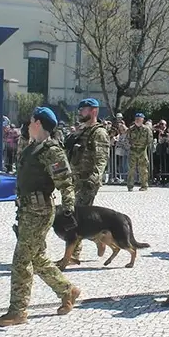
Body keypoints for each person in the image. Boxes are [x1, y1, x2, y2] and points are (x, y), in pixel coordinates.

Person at [0, 107, 81, 326]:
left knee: (21, 259)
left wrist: (69, 208)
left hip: (39, 212)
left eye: (30, 121)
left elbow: (66, 181)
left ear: (38, 123)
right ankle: (67, 290)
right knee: (37, 257)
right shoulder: (33, 147)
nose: (27, 125)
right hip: (26, 211)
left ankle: (18, 310)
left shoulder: (52, 150)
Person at [64, 98, 111, 263]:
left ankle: (73, 255)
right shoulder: (81, 131)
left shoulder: (99, 133)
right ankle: (100, 238)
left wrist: (94, 178)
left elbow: (101, 159)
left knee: (76, 217)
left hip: (88, 182)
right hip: (75, 180)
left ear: (94, 111)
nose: (80, 112)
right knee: (75, 215)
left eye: (83, 109)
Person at [126, 113, 153, 191]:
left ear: (142, 120)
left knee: (143, 169)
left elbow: (150, 139)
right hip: (133, 150)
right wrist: (131, 145)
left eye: (140, 119)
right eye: (137, 119)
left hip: (142, 150)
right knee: (131, 169)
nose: (138, 121)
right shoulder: (131, 129)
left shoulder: (146, 129)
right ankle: (130, 185)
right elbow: (127, 138)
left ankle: (144, 185)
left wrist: (143, 146)